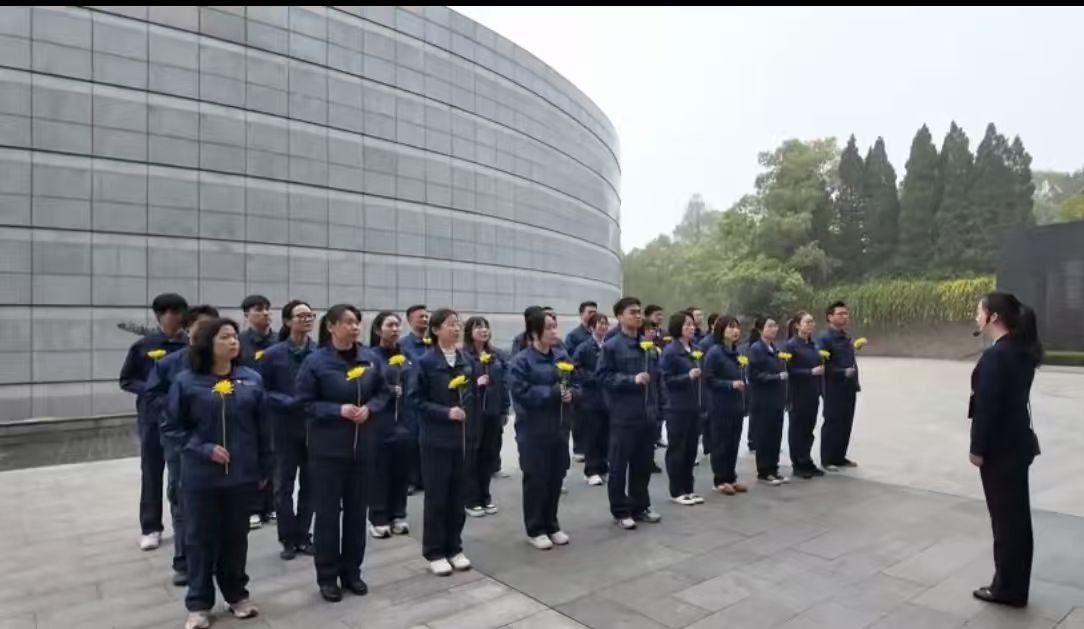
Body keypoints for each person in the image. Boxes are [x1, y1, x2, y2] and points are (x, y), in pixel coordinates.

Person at [162, 318, 270, 629]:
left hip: (241, 474)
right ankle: (199, 604)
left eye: (235, 336)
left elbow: (264, 428)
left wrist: (265, 467)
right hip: (200, 476)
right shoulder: (186, 382)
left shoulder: (251, 379)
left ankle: (236, 595)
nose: (233, 341)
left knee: (236, 538)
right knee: (199, 539)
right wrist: (204, 448)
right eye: (225, 337)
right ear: (207, 343)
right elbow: (171, 427)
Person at [295, 304, 389, 602]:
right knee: (327, 515)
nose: (354, 327)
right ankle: (327, 576)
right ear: (331, 326)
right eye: (348, 322)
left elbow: (384, 392)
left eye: (357, 322)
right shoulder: (315, 362)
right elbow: (304, 402)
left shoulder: (370, 358)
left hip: (363, 449)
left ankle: (352, 572)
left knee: (356, 514)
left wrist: (370, 408)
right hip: (327, 451)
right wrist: (337, 410)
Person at [969, 292, 1043, 609]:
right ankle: (1014, 584)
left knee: (1005, 522)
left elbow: (987, 406)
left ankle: (1008, 589)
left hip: (999, 447)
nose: (977, 317)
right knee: (1016, 518)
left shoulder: (997, 355)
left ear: (994, 317)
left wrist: (977, 447)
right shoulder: (1021, 350)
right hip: (1016, 442)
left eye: (980, 311)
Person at [144, 305, 220, 586]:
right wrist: (184, 404)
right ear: (188, 328)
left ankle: (213, 558)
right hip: (180, 441)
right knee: (183, 499)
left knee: (216, 501)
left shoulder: (224, 361)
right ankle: (184, 561)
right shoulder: (169, 364)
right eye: (202, 326)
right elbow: (152, 398)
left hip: (216, 440)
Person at [119, 292, 189, 551]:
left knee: (183, 474)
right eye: (170, 312)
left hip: (183, 418)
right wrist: (152, 389)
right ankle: (151, 527)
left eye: (179, 312)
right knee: (151, 472)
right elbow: (127, 380)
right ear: (160, 316)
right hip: (153, 418)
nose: (175, 317)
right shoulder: (143, 346)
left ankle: (185, 523)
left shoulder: (190, 345)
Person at [408, 308, 475, 577]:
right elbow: (415, 400)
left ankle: (454, 547)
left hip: (460, 438)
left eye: (458, 324)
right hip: (435, 438)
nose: (456, 329)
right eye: (450, 324)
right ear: (436, 330)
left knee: (458, 495)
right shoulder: (425, 362)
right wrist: (445, 412)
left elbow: (470, 395)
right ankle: (435, 551)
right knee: (437, 496)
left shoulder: (465, 360)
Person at [510, 309, 576, 549]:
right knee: (536, 478)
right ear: (534, 332)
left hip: (559, 426)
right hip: (533, 429)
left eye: (555, 327)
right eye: (548, 328)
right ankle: (535, 528)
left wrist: (571, 394)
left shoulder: (561, 356)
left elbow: (574, 383)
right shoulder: (521, 361)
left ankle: (552, 524)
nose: (554, 332)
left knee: (555, 477)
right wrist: (552, 393)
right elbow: (521, 392)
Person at [597, 297, 663, 530]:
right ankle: (620, 510)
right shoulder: (612, 346)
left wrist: (658, 409)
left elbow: (657, 381)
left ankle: (640, 505)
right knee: (619, 464)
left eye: (639, 312)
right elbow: (603, 376)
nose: (637, 316)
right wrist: (630, 380)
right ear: (620, 317)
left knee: (643, 463)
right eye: (632, 312)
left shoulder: (648, 347)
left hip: (647, 414)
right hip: (624, 415)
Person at [258, 300, 316, 560]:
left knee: (311, 484)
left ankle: (304, 535)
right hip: (283, 428)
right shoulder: (273, 355)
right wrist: (286, 401)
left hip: (313, 428)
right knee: (283, 486)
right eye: (301, 315)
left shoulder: (319, 352)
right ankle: (287, 538)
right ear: (287, 321)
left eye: (310, 315)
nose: (306, 319)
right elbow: (262, 390)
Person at [367, 311, 416, 539]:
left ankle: (398, 513)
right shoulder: (370, 356)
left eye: (397, 325)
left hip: (405, 421)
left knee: (401, 471)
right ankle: (378, 516)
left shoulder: (406, 356)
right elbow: (367, 386)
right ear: (378, 330)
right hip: (380, 422)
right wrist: (388, 390)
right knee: (380, 471)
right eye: (390, 325)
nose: (395, 329)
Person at [462, 316, 510, 518]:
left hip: (493, 411)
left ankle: (485, 496)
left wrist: (504, 409)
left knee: (489, 456)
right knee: (473, 456)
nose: (483, 331)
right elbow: (460, 385)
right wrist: (476, 383)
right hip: (473, 414)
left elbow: (504, 383)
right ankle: (471, 499)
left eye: (485, 327)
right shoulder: (464, 356)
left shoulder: (496, 355)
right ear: (469, 332)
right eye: (478, 327)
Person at [658, 311, 705, 506]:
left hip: (694, 405)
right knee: (678, 449)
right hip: (676, 407)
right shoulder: (670, 351)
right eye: (687, 325)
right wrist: (687, 376)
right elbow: (665, 379)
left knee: (691, 449)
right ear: (678, 327)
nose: (691, 328)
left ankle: (689, 488)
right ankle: (677, 490)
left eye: (692, 324)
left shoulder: (695, 349)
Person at [238, 294, 276, 528]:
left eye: (267, 309)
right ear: (246, 315)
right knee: (249, 456)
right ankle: (251, 507)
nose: (265, 313)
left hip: (275, 407)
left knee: (272, 455)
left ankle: (270, 505)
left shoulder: (279, 341)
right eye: (258, 309)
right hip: (247, 406)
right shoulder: (239, 342)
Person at [703, 316, 748, 495]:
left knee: (733, 442)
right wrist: (730, 384)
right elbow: (709, 379)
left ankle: (731, 477)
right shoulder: (715, 352)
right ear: (721, 330)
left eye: (737, 327)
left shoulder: (736, 352)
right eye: (730, 327)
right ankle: (720, 480)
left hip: (736, 404)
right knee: (721, 443)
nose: (735, 331)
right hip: (720, 404)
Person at [815, 301, 861, 470]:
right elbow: (822, 363)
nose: (844, 316)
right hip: (833, 386)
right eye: (840, 314)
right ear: (830, 317)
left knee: (846, 422)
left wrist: (854, 381)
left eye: (846, 314)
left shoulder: (845, 337)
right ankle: (827, 459)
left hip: (849, 386)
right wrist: (842, 372)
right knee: (832, 421)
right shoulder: (824, 338)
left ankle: (840, 457)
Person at [783, 311, 826, 479]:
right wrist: (810, 372)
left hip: (812, 393)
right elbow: (788, 371)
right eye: (807, 322)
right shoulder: (791, 346)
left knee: (809, 429)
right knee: (797, 429)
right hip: (797, 393)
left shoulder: (813, 345)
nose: (811, 325)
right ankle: (798, 463)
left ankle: (807, 460)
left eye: (812, 322)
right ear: (797, 325)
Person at [747, 316, 789, 486]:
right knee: (764, 436)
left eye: (775, 326)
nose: (774, 329)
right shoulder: (756, 348)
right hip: (763, 399)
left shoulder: (774, 348)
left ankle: (774, 469)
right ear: (760, 330)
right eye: (770, 326)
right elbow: (753, 375)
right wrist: (776, 377)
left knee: (775, 435)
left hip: (776, 399)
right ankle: (764, 471)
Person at [572, 313, 610, 486]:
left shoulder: (609, 345)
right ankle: (591, 470)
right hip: (591, 397)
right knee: (592, 435)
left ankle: (602, 467)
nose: (603, 327)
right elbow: (575, 368)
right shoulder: (584, 347)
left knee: (605, 434)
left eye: (605, 324)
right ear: (591, 327)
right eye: (600, 324)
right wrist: (592, 377)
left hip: (608, 397)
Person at [400, 304, 430, 493]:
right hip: (409, 399)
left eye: (426, 317)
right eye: (420, 317)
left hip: (429, 398)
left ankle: (426, 479)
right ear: (410, 320)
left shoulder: (433, 343)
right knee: (411, 440)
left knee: (427, 440)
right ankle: (411, 479)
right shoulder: (403, 345)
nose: (424, 320)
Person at [565, 301, 598, 461]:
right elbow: (570, 361)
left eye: (595, 312)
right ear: (581, 314)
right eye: (590, 312)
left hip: (598, 384)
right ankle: (579, 448)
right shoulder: (574, 336)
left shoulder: (600, 334)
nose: (593, 315)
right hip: (581, 382)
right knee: (579, 418)